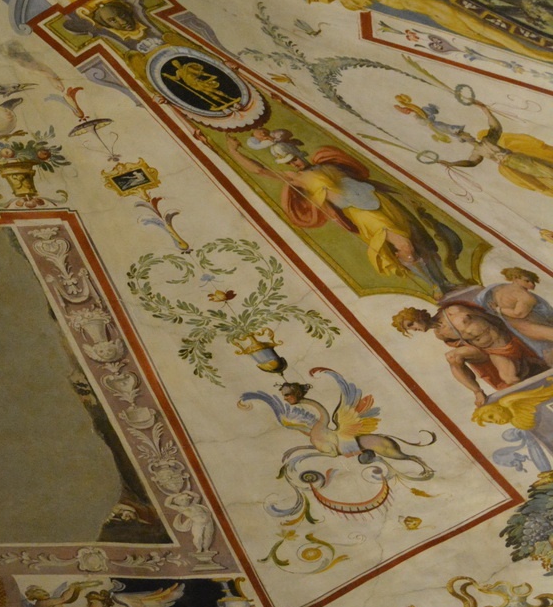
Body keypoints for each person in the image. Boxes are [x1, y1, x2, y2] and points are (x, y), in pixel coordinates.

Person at [227, 130, 457, 297]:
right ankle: (433, 285)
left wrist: (400, 193)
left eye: (294, 158)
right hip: (362, 214)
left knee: (418, 240)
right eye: (288, 162)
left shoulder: (329, 164)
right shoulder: (297, 178)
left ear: (298, 152)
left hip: (381, 202)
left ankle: (444, 282)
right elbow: (259, 170)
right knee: (404, 246)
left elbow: (362, 183)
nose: (294, 163)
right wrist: (233, 151)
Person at [392, 304, 546, 406]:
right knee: (453, 357)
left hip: (505, 342)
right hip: (490, 352)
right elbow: (467, 346)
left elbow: (491, 317)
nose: (414, 329)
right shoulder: (440, 334)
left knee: (513, 377)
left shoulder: (452, 311)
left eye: (411, 324)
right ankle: (477, 392)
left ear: (417, 316)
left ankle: (529, 364)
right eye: (409, 329)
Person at [481, 267, 553, 361]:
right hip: (530, 326)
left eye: (533, 282)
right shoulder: (525, 296)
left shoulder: (498, 289)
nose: (531, 284)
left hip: (518, 327)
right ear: (515, 278)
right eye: (527, 281)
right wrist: (499, 309)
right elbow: (519, 314)